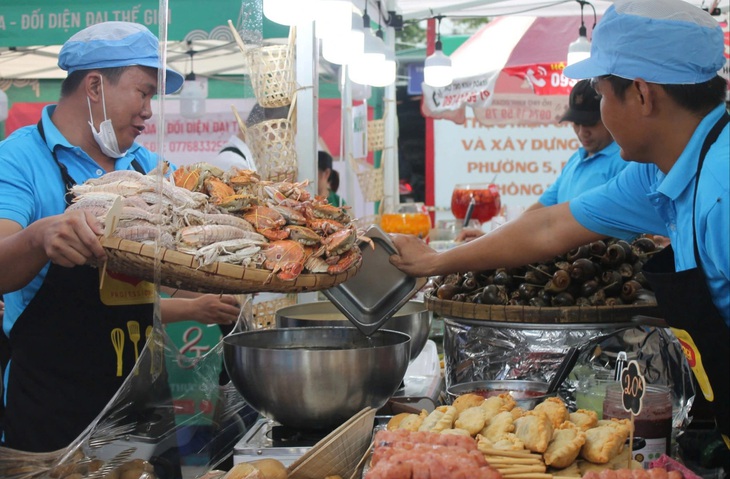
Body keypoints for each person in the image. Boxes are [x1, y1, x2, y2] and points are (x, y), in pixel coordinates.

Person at [390, 0, 729, 455]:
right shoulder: (659, 171)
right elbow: (550, 226)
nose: (601, 111)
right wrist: (436, 261)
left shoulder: (722, 189)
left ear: (643, 95)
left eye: (605, 94)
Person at [0, 22, 240, 454]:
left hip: (143, 408)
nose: (149, 110)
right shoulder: (19, 159)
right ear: (94, 85)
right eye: (143, 92)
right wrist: (40, 237)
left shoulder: (146, 166)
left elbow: (172, 270)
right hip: (53, 418)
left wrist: (231, 274)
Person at [457, 79, 627, 241]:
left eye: (591, 123)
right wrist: (491, 239)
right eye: (576, 123)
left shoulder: (624, 161)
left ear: (608, 116)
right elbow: (537, 212)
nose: (582, 132)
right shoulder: (576, 159)